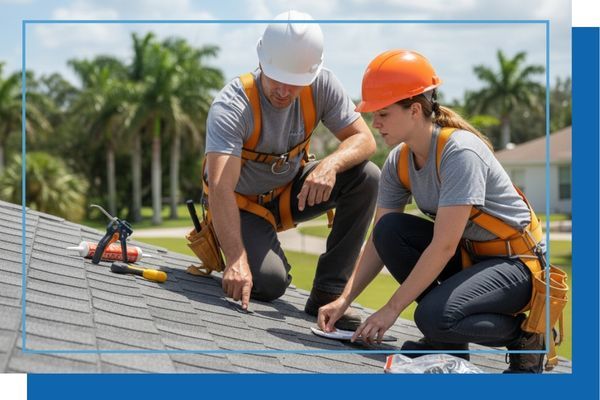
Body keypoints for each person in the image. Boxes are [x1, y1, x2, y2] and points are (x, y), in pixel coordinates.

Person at [317, 49, 547, 373]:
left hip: (516, 266)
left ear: (413, 110)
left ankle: (527, 337)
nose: (374, 124)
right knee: (389, 231)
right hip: (472, 258)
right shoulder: (399, 161)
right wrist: (345, 299)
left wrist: (390, 309)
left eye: (382, 114)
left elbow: (443, 246)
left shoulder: (460, 153)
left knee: (431, 316)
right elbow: (377, 239)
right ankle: (448, 344)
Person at [204, 10, 379, 330]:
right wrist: (235, 259)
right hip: (240, 204)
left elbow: (365, 140)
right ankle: (233, 248)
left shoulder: (323, 85)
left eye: (295, 84)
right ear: (261, 63)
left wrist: (330, 164)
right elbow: (219, 187)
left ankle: (329, 291)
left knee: (367, 177)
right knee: (269, 283)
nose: (284, 91)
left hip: (289, 194)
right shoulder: (233, 105)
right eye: (276, 81)